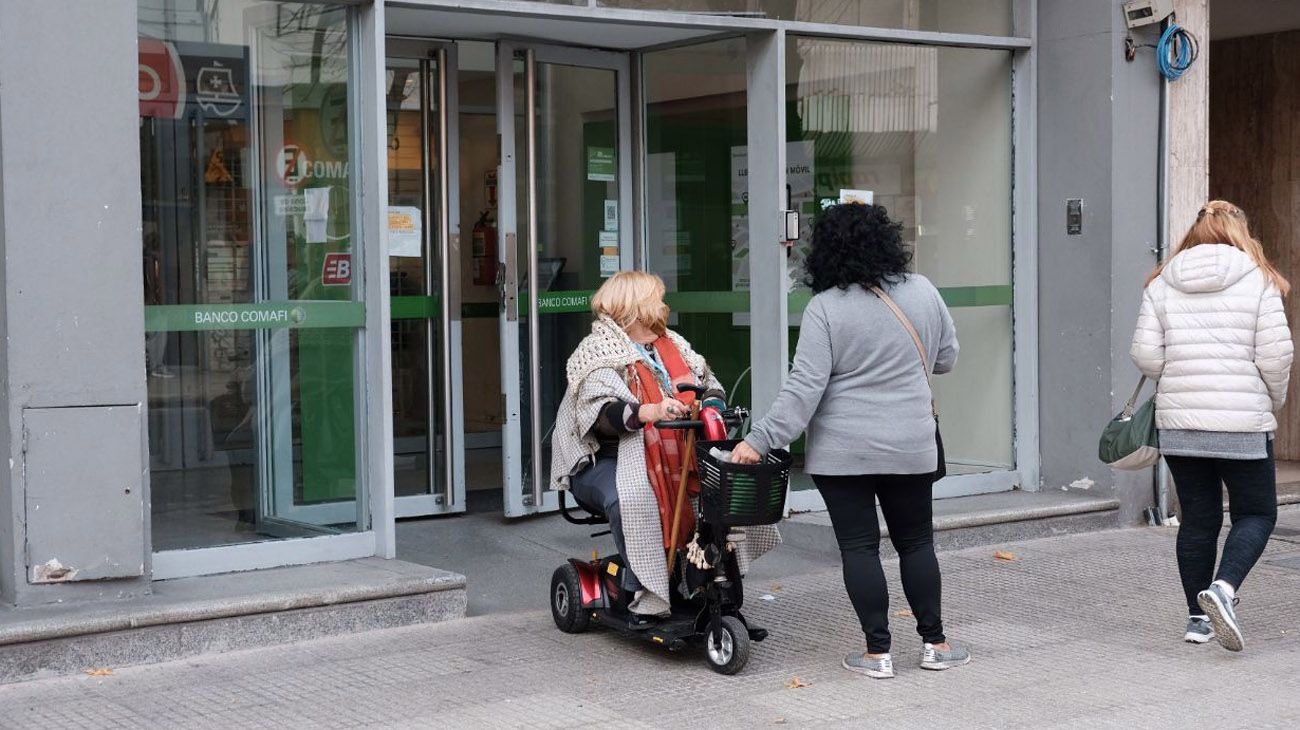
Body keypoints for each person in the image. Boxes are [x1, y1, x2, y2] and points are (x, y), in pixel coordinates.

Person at [731, 203, 964, 679]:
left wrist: (760, 440)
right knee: (917, 543)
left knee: (859, 549)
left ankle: (877, 654)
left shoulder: (825, 308)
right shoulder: (922, 291)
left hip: (843, 454)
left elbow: (804, 389)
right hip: (910, 446)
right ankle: (935, 644)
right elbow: (946, 359)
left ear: (828, 253)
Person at [550, 271, 779, 619]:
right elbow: (602, 416)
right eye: (656, 298)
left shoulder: (672, 344)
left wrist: (712, 406)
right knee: (632, 496)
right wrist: (650, 411)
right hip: (607, 455)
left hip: (674, 448)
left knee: (730, 484)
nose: (663, 304)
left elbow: (710, 384)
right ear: (636, 306)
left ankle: (708, 574)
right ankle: (646, 586)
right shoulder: (597, 351)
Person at [1130, 200, 1293, 652]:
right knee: (1257, 513)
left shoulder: (1162, 282)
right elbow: (1276, 357)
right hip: (1242, 422)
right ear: (1241, 234)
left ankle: (1197, 620)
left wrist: (1178, 372)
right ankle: (1223, 588)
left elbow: (1146, 357)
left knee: (1198, 520)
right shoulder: (1258, 279)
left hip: (1181, 423)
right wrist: (1270, 402)